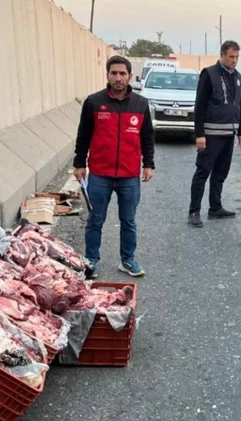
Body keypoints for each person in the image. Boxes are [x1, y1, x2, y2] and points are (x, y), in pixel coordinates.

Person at [73, 55, 155, 279]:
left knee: (128, 221)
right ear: (108, 75)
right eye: (114, 73)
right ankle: (91, 260)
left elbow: (147, 136)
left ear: (130, 76)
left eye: (122, 74)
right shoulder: (93, 102)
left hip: (129, 175)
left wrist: (149, 164)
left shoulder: (140, 104)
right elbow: (84, 135)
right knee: (95, 219)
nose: (118, 78)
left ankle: (127, 260)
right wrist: (79, 163)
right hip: (100, 174)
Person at [188, 40, 241, 227]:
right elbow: (200, 104)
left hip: (229, 133)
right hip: (210, 134)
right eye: (231, 57)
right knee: (203, 171)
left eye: (237, 57)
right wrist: (199, 134)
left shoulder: (238, 77)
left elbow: (239, 105)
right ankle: (194, 211)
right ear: (222, 55)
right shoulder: (209, 74)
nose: (234, 61)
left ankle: (215, 208)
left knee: (221, 172)